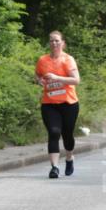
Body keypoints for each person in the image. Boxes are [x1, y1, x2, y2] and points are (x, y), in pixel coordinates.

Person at [35, 31, 80, 178]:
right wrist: (39, 80)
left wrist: (57, 77)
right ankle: (54, 167)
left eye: (57, 41)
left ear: (63, 43)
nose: (54, 43)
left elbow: (76, 80)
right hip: (49, 104)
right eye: (51, 41)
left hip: (69, 103)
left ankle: (69, 158)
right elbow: (37, 74)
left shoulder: (68, 60)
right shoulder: (42, 60)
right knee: (54, 132)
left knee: (67, 135)